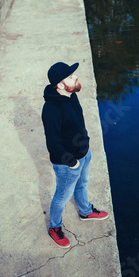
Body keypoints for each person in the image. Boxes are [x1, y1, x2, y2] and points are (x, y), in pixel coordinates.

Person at [42, 62, 109, 248]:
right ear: (60, 85)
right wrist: (72, 163)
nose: (76, 77)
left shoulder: (71, 96)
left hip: (83, 153)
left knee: (83, 184)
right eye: (71, 77)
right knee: (62, 196)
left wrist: (85, 146)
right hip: (67, 163)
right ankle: (54, 227)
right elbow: (53, 143)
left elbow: (79, 123)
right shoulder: (51, 109)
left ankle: (85, 211)